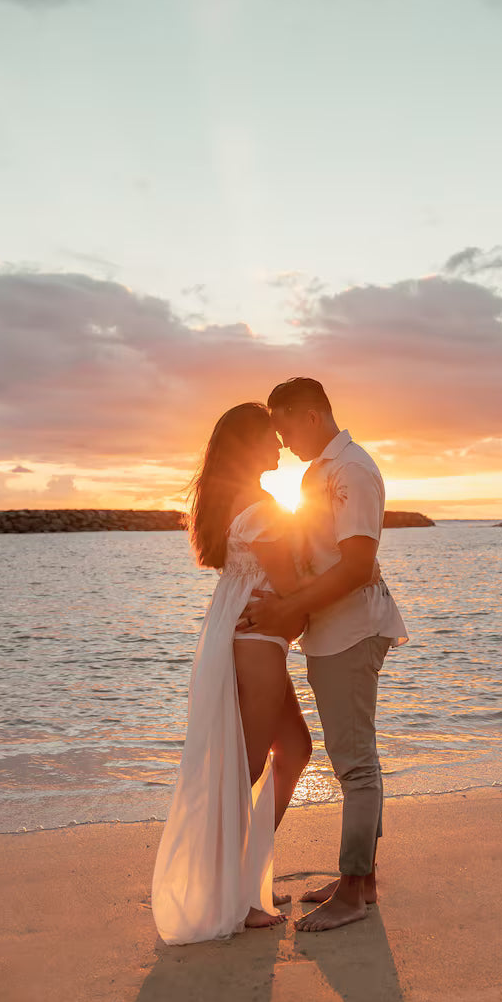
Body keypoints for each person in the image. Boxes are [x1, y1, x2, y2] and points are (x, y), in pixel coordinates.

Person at [238, 378, 408, 932]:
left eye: (284, 426)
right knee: (356, 757)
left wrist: (289, 614)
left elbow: (358, 565)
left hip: (352, 630)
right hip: (332, 629)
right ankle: (363, 881)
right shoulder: (319, 473)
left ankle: (353, 894)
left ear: (310, 415)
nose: (282, 442)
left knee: (355, 763)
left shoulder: (352, 470)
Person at [151, 402, 313, 945]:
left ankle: (248, 880)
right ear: (249, 445)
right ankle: (234, 899)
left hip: (247, 638)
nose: (279, 445)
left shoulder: (241, 505)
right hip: (258, 642)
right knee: (241, 769)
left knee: (295, 749)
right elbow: (290, 586)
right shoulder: (262, 509)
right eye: (270, 437)